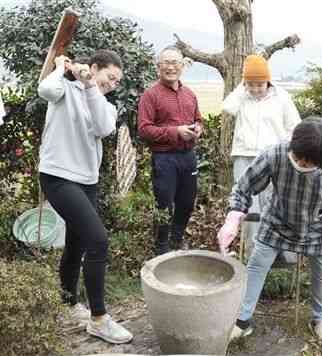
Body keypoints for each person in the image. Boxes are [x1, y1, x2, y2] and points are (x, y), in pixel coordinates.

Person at [217, 117, 322, 346]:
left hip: (320, 226)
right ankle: (242, 320)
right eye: (298, 159)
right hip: (278, 221)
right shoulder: (275, 154)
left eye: (309, 163)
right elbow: (244, 186)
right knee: (256, 265)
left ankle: (320, 320)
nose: (302, 165)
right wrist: (234, 216)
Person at [38, 50, 132, 344]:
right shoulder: (64, 87)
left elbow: (103, 128)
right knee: (98, 240)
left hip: (86, 180)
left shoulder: (104, 103)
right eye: (109, 76)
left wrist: (92, 85)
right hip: (57, 176)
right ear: (94, 67)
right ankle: (99, 319)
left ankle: (68, 303)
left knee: (77, 242)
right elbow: (46, 90)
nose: (113, 84)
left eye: (117, 81)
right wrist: (59, 67)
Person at [222, 54, 301, 259]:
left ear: (268, 80)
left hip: (273, 157)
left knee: (273, 202)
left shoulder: (281, 97)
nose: (256, 89)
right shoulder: (242, 96)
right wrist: (242, 87)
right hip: (244, 155)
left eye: (260, 84)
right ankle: (251, 253)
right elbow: (227, 108)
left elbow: (295, 127)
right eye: (251, 84)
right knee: (246, 206)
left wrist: (286, 150)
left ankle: (277, 251)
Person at [138, 46, 203, 255]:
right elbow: (144, 129)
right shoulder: (151, 95)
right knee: (164, 203)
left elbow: (198, 119)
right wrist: (176, 132)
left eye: (175, 62)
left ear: (182, 66)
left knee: (187, 203)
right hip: (164, 158)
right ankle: (161, 247)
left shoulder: (190, 94)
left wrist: (198, 128)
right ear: (158, 67)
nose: (171, 67)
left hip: (188, 156)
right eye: (166, 62)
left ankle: (176, 240)